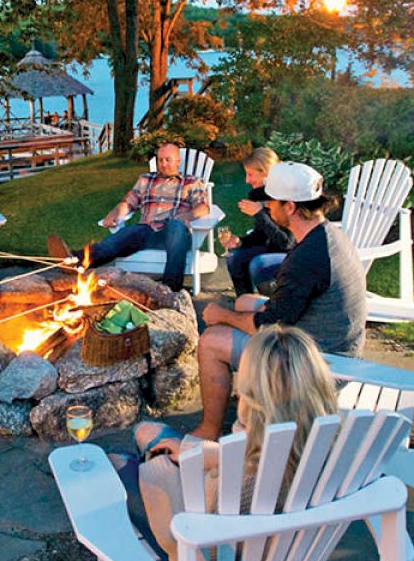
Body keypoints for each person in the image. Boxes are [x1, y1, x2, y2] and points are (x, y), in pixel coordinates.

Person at [133, 326, 339, 561]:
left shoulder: (246, 480)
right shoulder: (321, 444)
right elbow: (250, 460)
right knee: (148, 433)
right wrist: (195, 452)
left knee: (119, 462)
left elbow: (197, 528)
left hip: (199, 554)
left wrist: (162, 466)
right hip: (272, 552)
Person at [191, 161, 366, 441]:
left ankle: (209, 431)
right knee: (245, 301)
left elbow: (268, 326)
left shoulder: (307, 258)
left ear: (290, 207)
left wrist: (221, 316)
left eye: (272, 203)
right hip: (336, 342)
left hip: (318, 364)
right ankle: (247, 387)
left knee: (211, 341)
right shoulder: (327, 235)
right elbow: (286, 307)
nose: (269, 208)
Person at [51, 143, 210, 293]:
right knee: (125, 234)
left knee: (175, 226)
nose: (163, 164)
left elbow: (203, 207)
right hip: (147, 231)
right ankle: (76, 260)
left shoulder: (192, 182)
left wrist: (185, 216)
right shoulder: (145, 179)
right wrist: (114, 214)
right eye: (160, 160)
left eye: (168, 160)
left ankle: (169, 290)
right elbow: (129, 203)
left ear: (178, 161)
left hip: (175, 234)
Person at [220, 147, 294, 295]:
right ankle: (245, 301)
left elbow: (286, 243)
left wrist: (259, 213)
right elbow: (262, 235)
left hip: (294, 252)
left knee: (257, 263)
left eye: (250, 174)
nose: (247, 180)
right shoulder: (261, 196)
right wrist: (240, 242)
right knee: (234, 256)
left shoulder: (287, 196)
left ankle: (270, 304)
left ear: (266, 173)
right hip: (273, 247)